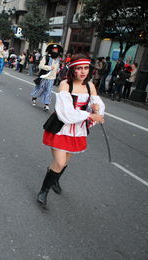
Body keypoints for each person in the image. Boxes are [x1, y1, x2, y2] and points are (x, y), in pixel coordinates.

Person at [37, 54, 105, 207]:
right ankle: (44, 190)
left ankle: (55, 180)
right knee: (60, 162)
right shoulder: (65, 85)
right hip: (61, 127)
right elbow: (66, 113)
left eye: (86, 68)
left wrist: (96, 110)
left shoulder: (90, 86)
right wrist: (90, 114)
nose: (83, 72)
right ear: (73, 69)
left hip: (78, 130)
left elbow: (97, 105)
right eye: (79, 68)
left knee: (65, 161)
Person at [30, 43, 62, 111]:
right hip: (44, 76)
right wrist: (49, 67)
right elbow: (40, 66)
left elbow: (57, 67)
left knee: (48, 91)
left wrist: (58, 70)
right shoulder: (46, 57)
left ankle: (46, 104)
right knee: (40, 89)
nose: (55, 51)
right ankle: (34, 98)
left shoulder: (58, 59)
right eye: (54, 50)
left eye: (56, 50)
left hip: (52, 78)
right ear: (51, 50)